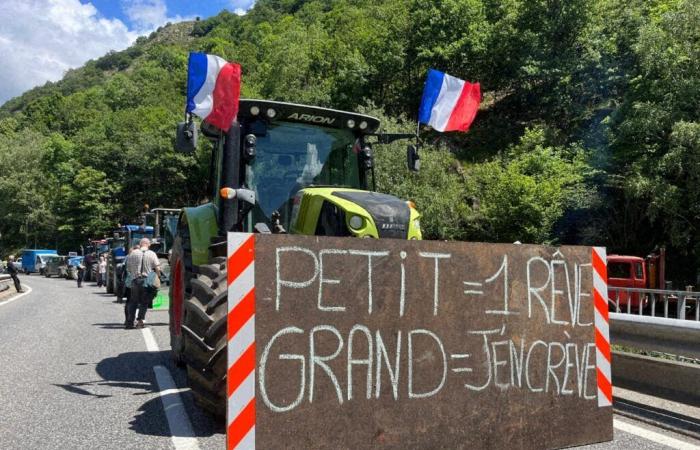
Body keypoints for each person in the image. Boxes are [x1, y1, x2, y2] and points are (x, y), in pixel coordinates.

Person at [124, 238, 160, 329]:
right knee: (144, 302)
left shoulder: (133, 253)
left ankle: (129, 322)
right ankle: (140, 321)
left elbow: (128, 268)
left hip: (135, 280)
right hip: (146, 281)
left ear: (140, 244)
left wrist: (134, 274)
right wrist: (158, 277)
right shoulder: (152, 253)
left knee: (133, 302)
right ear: (148, 244)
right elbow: (158, 268)